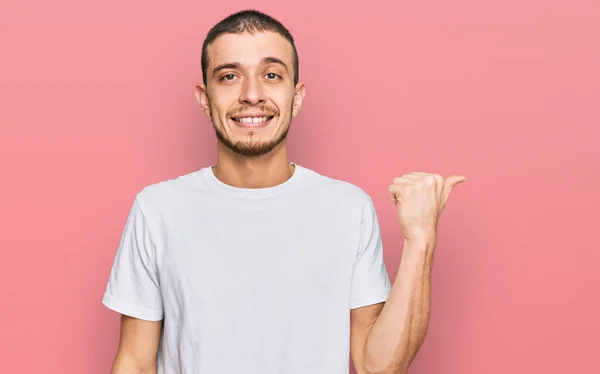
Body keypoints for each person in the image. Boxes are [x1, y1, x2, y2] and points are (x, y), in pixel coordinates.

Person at [102, 9, 467, 374]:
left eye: (272, 75)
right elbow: (134, 361)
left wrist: (421, 239)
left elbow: (379, 367)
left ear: (297, 96)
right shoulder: (158, 210)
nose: (252, 94)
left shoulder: (348, 209)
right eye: (229, 76)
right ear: (204, 98)